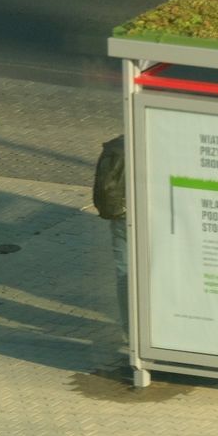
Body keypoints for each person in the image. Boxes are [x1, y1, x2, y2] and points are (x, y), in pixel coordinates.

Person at [93, 134, 129, 340]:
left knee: (124, 271)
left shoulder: (116, 146)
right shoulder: (151, 143)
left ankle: (130, 332)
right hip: (139, 218)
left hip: (119, 215)